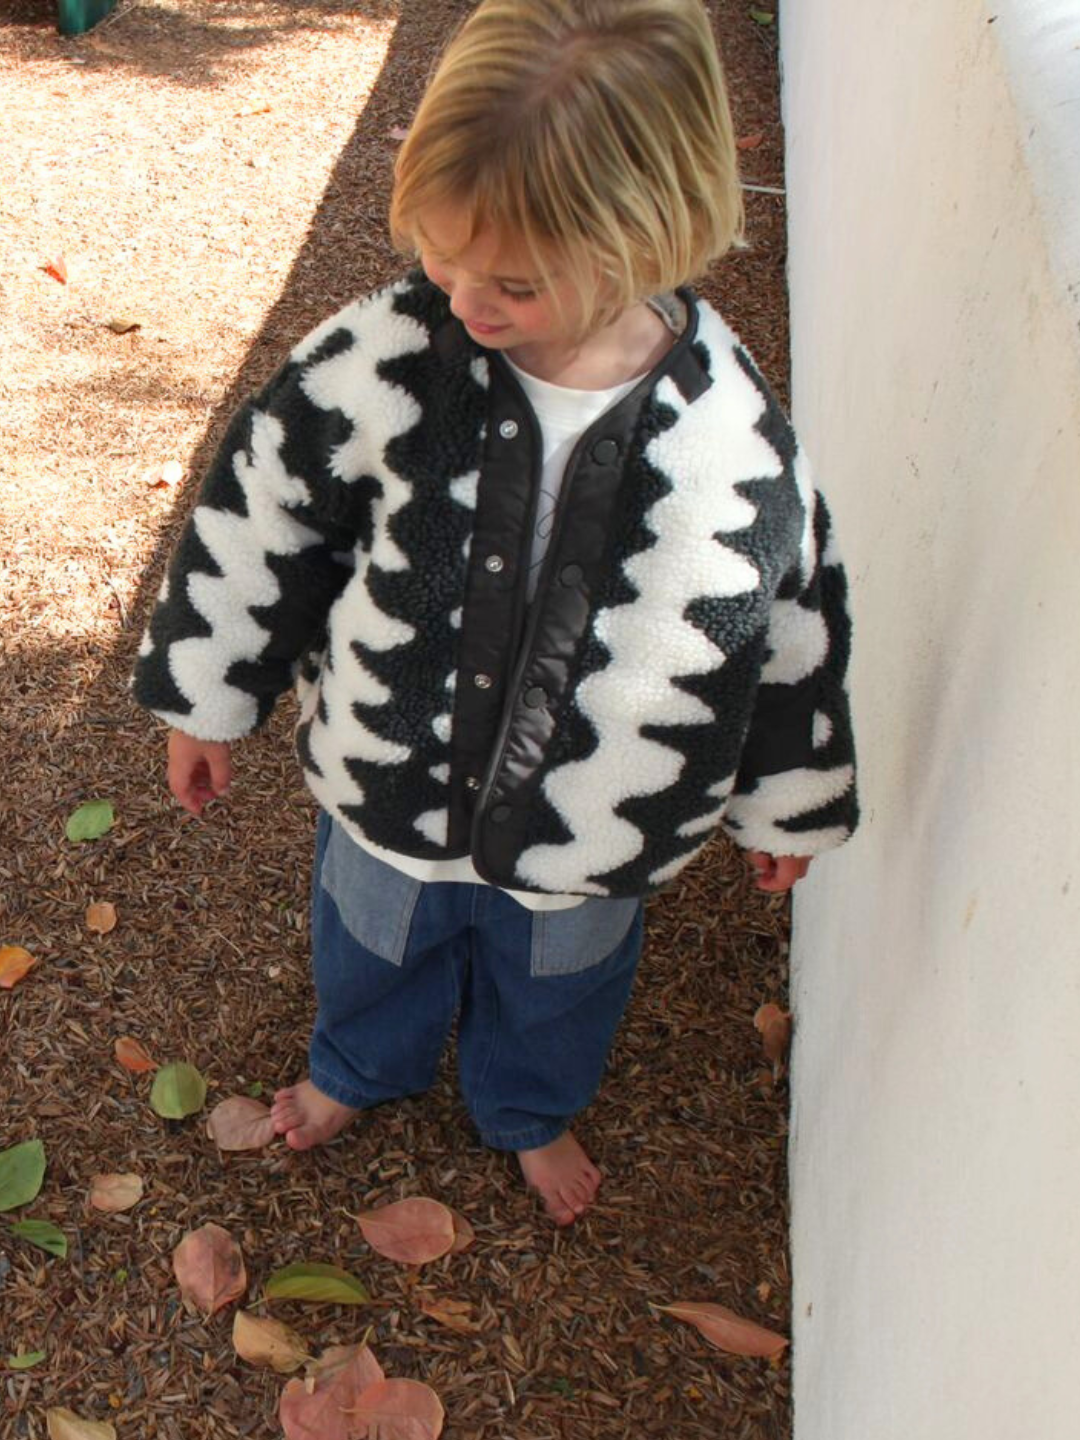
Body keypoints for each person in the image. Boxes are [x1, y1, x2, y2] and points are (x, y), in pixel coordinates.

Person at [133, 0, 858, 1226]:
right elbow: (263, 513)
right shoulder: (382, 360)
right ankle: (361, 1064)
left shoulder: (729, 437)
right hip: (389, 788)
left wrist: (786, 797)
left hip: (592, 836)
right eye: (441, 254)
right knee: (371, 944)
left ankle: (527, 1106)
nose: (465, 297)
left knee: (563, 983)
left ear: (647, 236)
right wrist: (209, 694)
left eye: (511, 280)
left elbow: (787, 623)